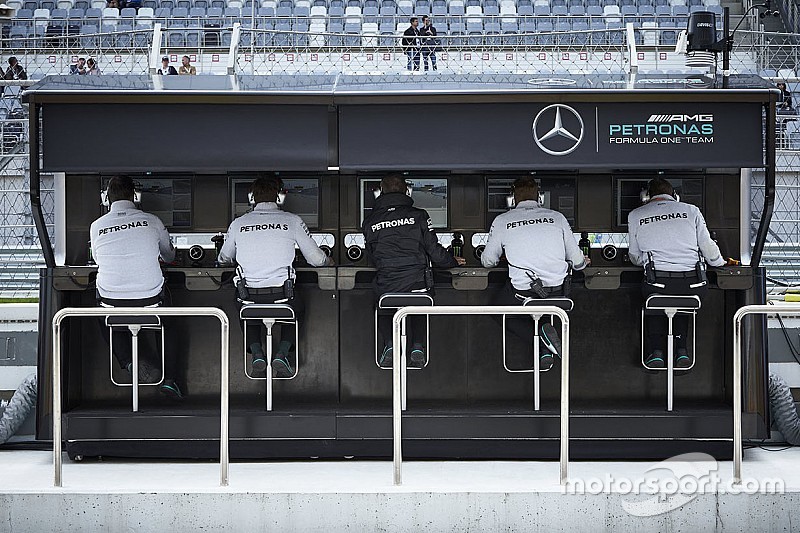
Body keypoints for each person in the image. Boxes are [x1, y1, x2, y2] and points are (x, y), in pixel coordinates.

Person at [218, 176, 334, 378]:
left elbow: (224, 258)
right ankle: (282, 353)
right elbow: (316, 259)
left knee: (246, 309)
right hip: (283, 296)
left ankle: (257, 353)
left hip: (249, 296)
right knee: (297, 309)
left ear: (252, 197)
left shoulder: (238, 224)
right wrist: (329, 262)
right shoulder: (292, 221)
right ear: (279, 196)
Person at [90, 175, 184, 399]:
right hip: (151, 303)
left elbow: (97, 258)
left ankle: (129, 361)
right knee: (169, 323)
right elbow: (169, 255)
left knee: (104, 311)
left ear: (107, 198)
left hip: (112, 305)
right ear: (135, 196)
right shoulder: (152, 221)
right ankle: (170, 380)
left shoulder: (96, 226)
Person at [481, 177, 588, 370]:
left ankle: (541, 345)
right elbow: (578, 262)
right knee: (545, 310)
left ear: (512, 199)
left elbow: (488, 261)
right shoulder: (557, 217)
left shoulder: (503, 220)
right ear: (540, 197)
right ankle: (546, 337)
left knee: (498, 310)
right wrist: (580, 262)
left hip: (525, 294)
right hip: (559, 293)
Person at [363, 174, 465, 368]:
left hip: (388, 287)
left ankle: (390, 344)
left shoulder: (370, 222)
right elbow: (434, 252)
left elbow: (372, 258)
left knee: (381, 302)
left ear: (380, 191)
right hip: (418, 286)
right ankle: (417, 346)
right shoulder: (419, 216)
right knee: (417, 298)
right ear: (407, 191)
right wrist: (451, 260)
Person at [628, 178, 725, 369]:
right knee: (682, 299)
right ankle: (681, 350)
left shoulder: (635, 215)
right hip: (693, 286)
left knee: (655, 295)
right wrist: (720, 263)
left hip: (657, 284)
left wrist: (648, 261)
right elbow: (708, 248)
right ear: (675, 196)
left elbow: (634, 256)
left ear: (647, 197)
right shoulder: (691, 211)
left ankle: (656, 351)